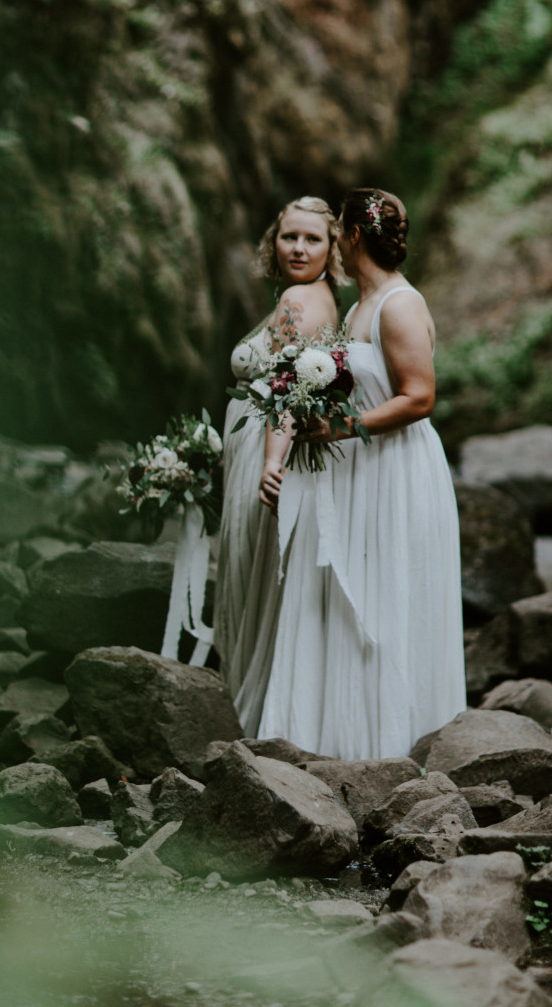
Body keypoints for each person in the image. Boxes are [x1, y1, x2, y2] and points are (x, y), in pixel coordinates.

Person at [257, 187, 466, 759]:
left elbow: (419, 398)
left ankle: (400, 747)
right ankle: (344, 742)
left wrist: (343, 430)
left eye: (337, 231)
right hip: (359, 475)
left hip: (397, 473)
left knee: (390, 600)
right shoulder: (357, 307)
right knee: (354, 604)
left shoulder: (399, 305)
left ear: (351, 236)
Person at [214, 196, 343, 735]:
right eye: (289, 236)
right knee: (259, 577)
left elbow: (288, 387)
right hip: (264, 446)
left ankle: (246, 716)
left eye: (312, 239)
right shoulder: (321, 297)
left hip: (268, 449)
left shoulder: (299, 300)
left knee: (249, 573)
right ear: (274, 240)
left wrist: (272, 460)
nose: (298, 248)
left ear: (332, 246)